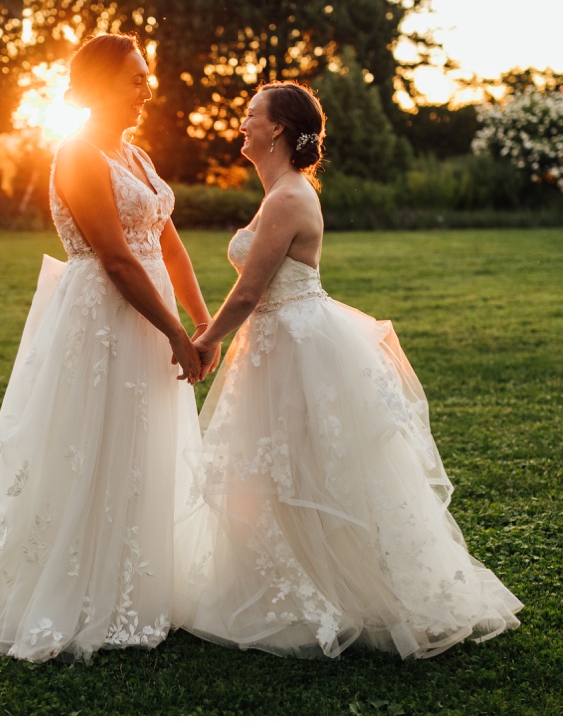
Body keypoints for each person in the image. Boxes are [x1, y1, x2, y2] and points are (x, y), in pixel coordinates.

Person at [174, 81, 522, 659]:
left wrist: (203, 340)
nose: (242, 123)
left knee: (309, 469)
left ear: (277, 129)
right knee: (282, 470)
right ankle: (285, 588)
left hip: (296, 343)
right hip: (280, 340)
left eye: (250, 115)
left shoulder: (288, 197)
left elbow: (250, 291)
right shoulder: (283, 190)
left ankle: (345, 595)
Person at [0, 33, 211, 662]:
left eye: (147, 77)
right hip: (103, 318)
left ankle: (137, 577)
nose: (145, 88)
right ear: (97, 86)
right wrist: (174, 332)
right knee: (92, 439)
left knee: (143, 442)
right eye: (133, 78)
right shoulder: (78, 153)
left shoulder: (137, 156)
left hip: (154, 313)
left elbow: (168, 245)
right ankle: (73, 585)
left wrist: (200, 322)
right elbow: (115, 256)